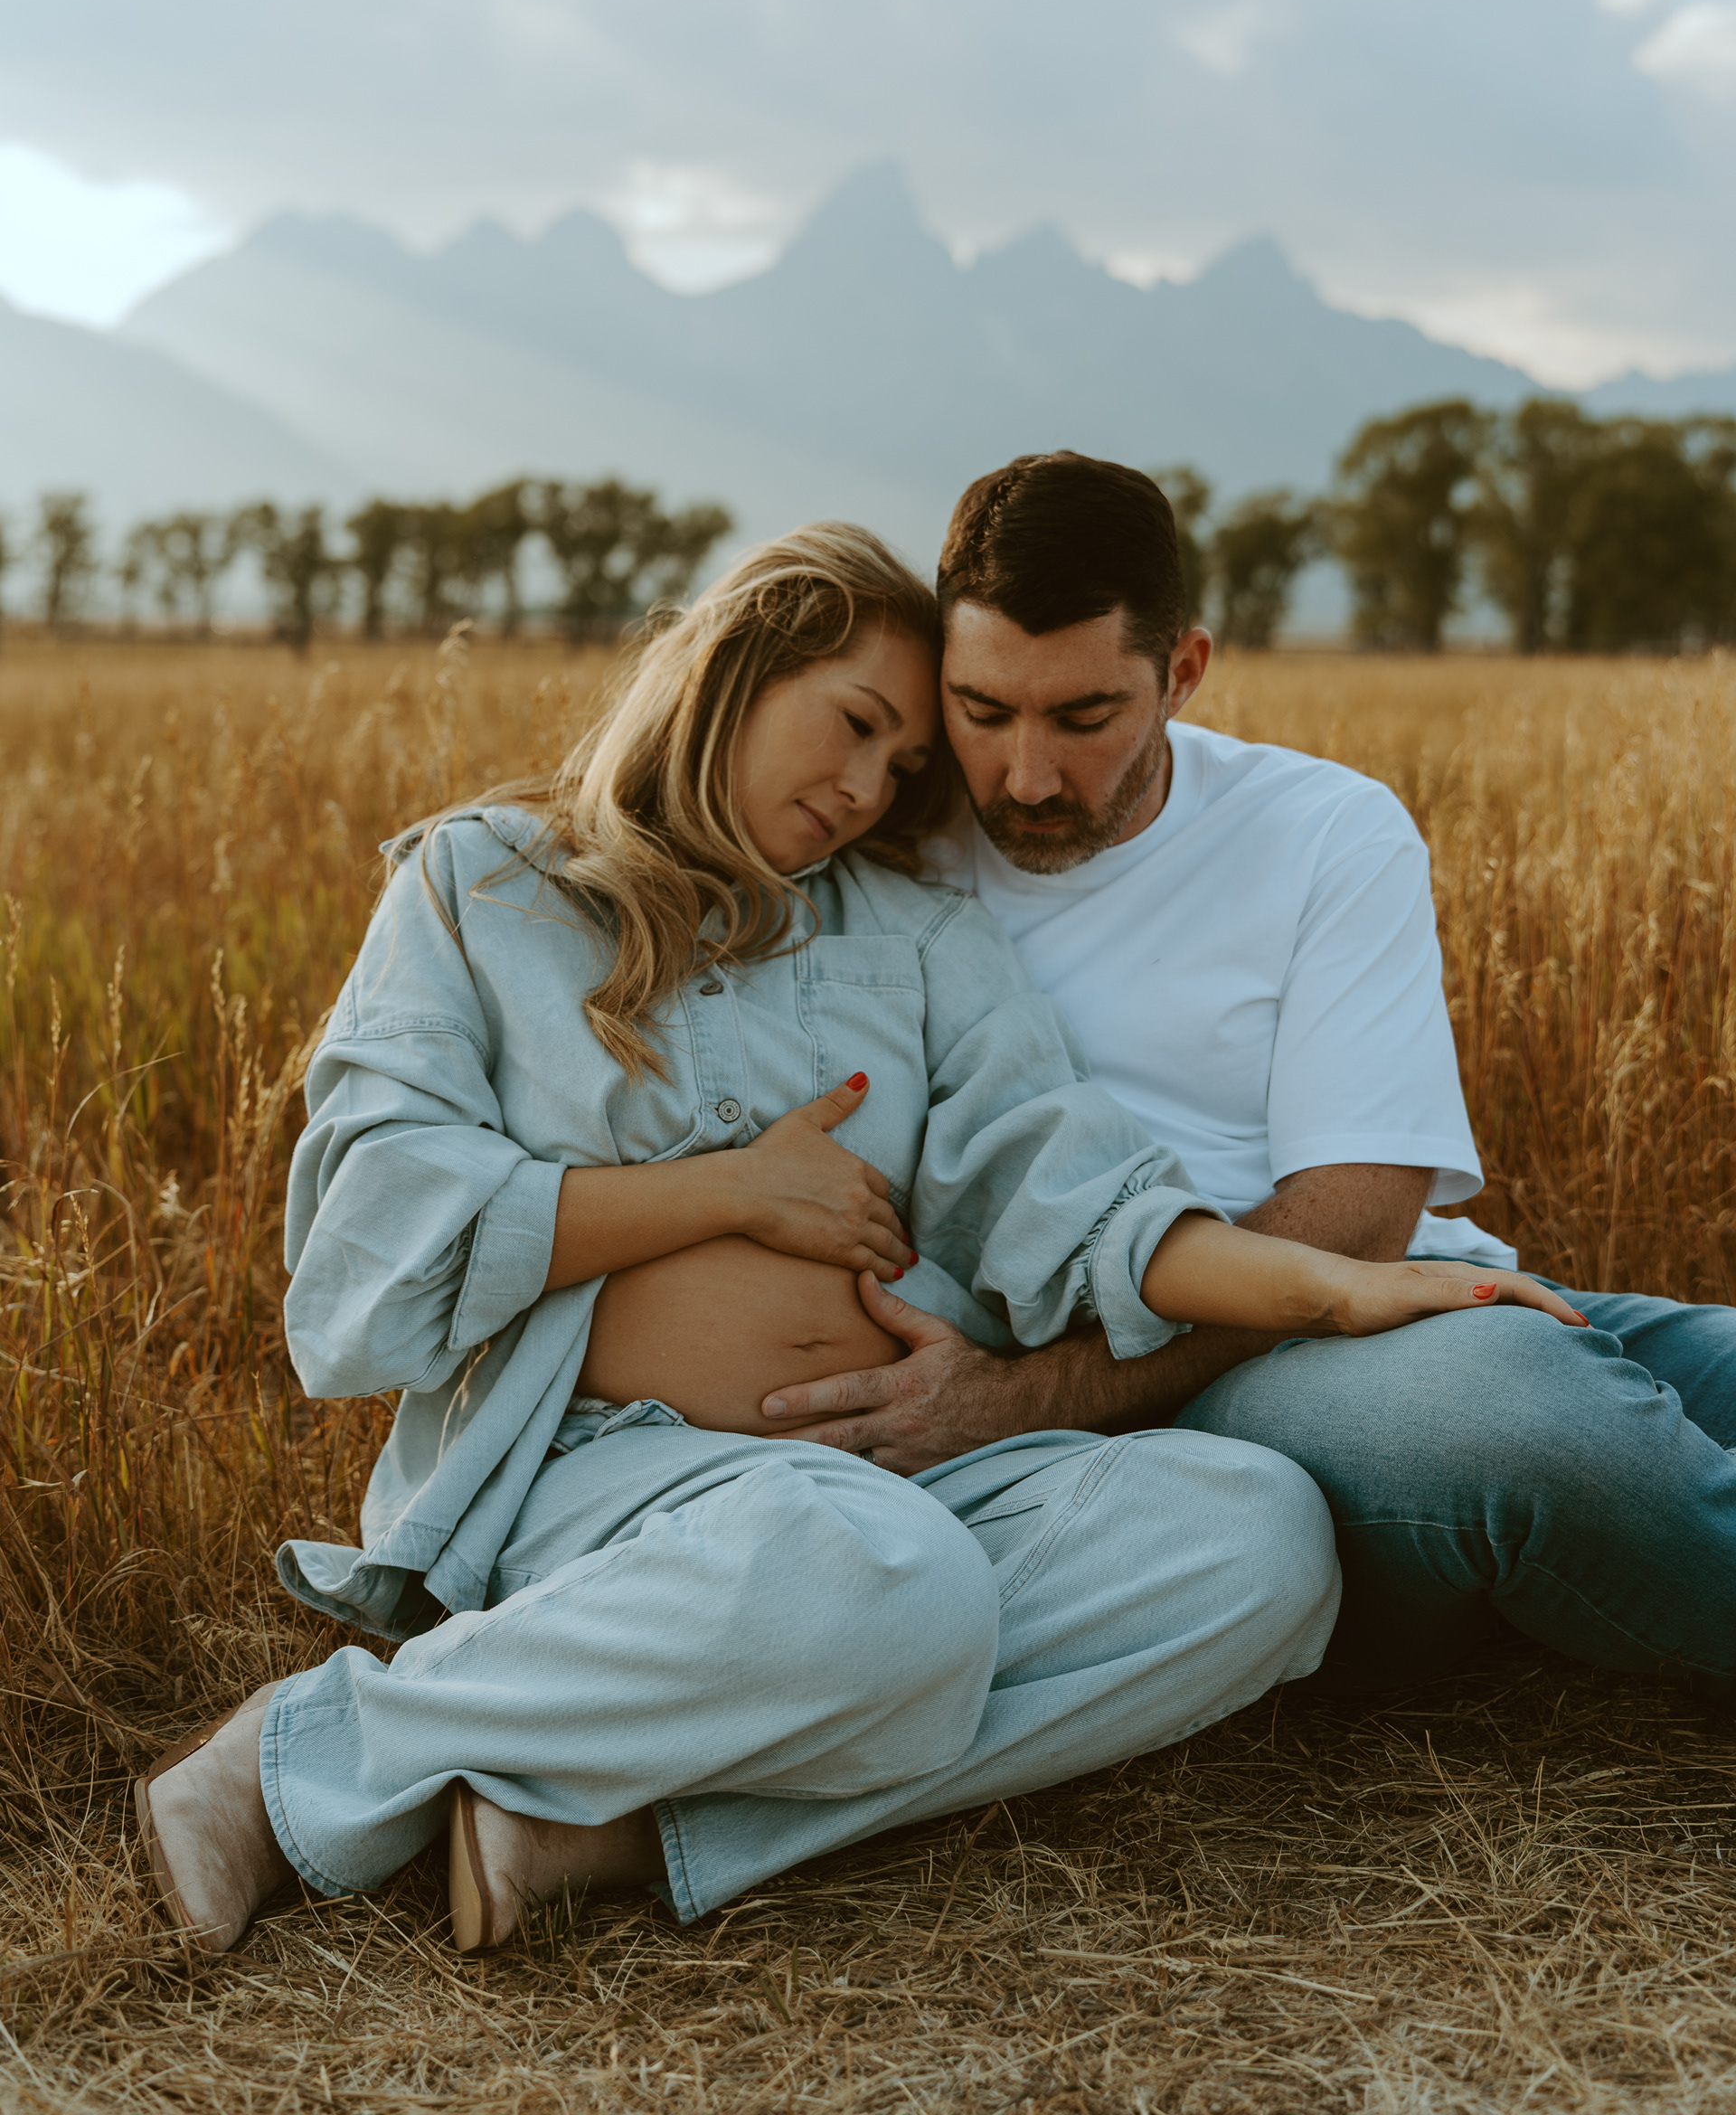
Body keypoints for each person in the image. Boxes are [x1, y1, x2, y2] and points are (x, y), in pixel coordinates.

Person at [134, 521, 1572, 1959]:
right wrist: (728, 1192)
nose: (868, 789)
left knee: (1256, 1539)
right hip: (599, 1463)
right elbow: (375, 1220)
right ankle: (295, 1760)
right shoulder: (487, 885)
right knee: (889, 1579)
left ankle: (623, 1828)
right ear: (737, 665)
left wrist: (1331, 1287)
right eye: (858, 725)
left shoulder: (921, 937)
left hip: (899, 1468)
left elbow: (1080, 1198)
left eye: (904, 765)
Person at [759, 452, 1736, 1708]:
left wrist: (1020, 1400)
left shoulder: (1325, 828)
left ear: (1184, 671)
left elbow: (1362, 1222)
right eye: (982, 711)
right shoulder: (872, 844)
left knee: (1604, 1368)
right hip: (1246, 1399)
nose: (1026, 775)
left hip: (1376, 1298)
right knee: (1524, 1419)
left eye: (1085, 718)